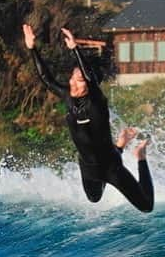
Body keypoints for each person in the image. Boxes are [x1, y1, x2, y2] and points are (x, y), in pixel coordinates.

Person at [22, 24, 154, 212]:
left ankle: (140, 156)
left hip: (112, 167)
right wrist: (31, 47)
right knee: (94, 199)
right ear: (70, 81)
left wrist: (75, 48)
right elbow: (46, 78)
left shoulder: (96, 100)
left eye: (83, 78)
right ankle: (120, 146)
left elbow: (89, 76)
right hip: (88, 168)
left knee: (147, 206)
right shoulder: (67, 96)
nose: (80, 79)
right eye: (77, 77)